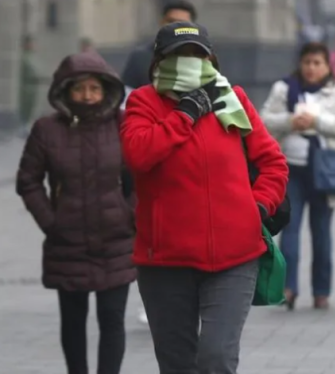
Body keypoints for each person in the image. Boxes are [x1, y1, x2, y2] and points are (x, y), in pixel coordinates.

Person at [120, 21, 288, 373]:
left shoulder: (233, 97)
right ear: (158, 62)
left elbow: (272, 162)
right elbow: (138, 155)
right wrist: (184, 114)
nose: (189, 62)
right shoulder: (144, 101)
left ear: (211, 59)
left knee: (217, 358)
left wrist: (257, 206)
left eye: (197, 54)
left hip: (235, 255)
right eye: (179, 55)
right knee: (177, 363)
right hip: (165, 260)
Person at [16, 51, 135, 374]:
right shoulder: (47, 129)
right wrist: (51, 222)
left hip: (116, 240)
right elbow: (28, 181)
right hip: (66, 242)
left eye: (94, 88)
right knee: (73, 322)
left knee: (112, 319)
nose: (87, 96)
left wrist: (129, 214)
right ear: (65, 91)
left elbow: (143, 174)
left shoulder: (123, 125)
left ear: (106, 90)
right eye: (79, 89)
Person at [261, 42, 335, 311]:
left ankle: (321, 291)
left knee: (321, 233)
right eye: (307, 62)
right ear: (300, 64)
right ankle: (288, 287)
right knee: (289, 230)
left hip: (324, 171)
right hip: (290, 169)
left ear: (327, 66)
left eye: (318, 63)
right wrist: (291, 121)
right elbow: (264, 120)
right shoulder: (284, 88)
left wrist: (316, 122)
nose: (312, 68)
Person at [121, 0, 197, 324]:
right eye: (170, 21)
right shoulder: (140, 58)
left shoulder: (203, 62)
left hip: (188, 162)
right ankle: (153, 295)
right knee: (148, 224)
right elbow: (124, 101)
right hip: (149, 154)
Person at [121, 1, 196, 98]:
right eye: (171, 21)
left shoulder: (200, 59)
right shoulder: (140, 58)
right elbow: (126, 97)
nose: (175, 28)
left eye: (182, 24)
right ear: (161, 22)